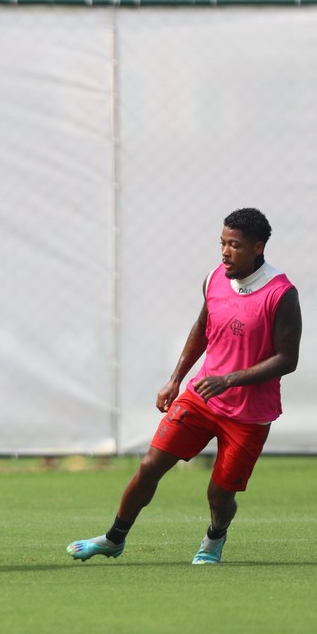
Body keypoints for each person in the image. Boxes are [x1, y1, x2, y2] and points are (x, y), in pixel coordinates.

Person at [67, 207, 302, 565]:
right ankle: (114, 538)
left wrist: (229, 380)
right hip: (201, 398)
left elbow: (288, 359)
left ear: (258, 247)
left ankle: (215, 536)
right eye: (222, 243)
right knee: (149, 466)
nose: (225, 252)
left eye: (234, 245)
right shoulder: (214, 279)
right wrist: (176, 379)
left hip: (249, 414)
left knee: (219, 496)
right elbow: (201, 329)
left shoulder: (281, 293)